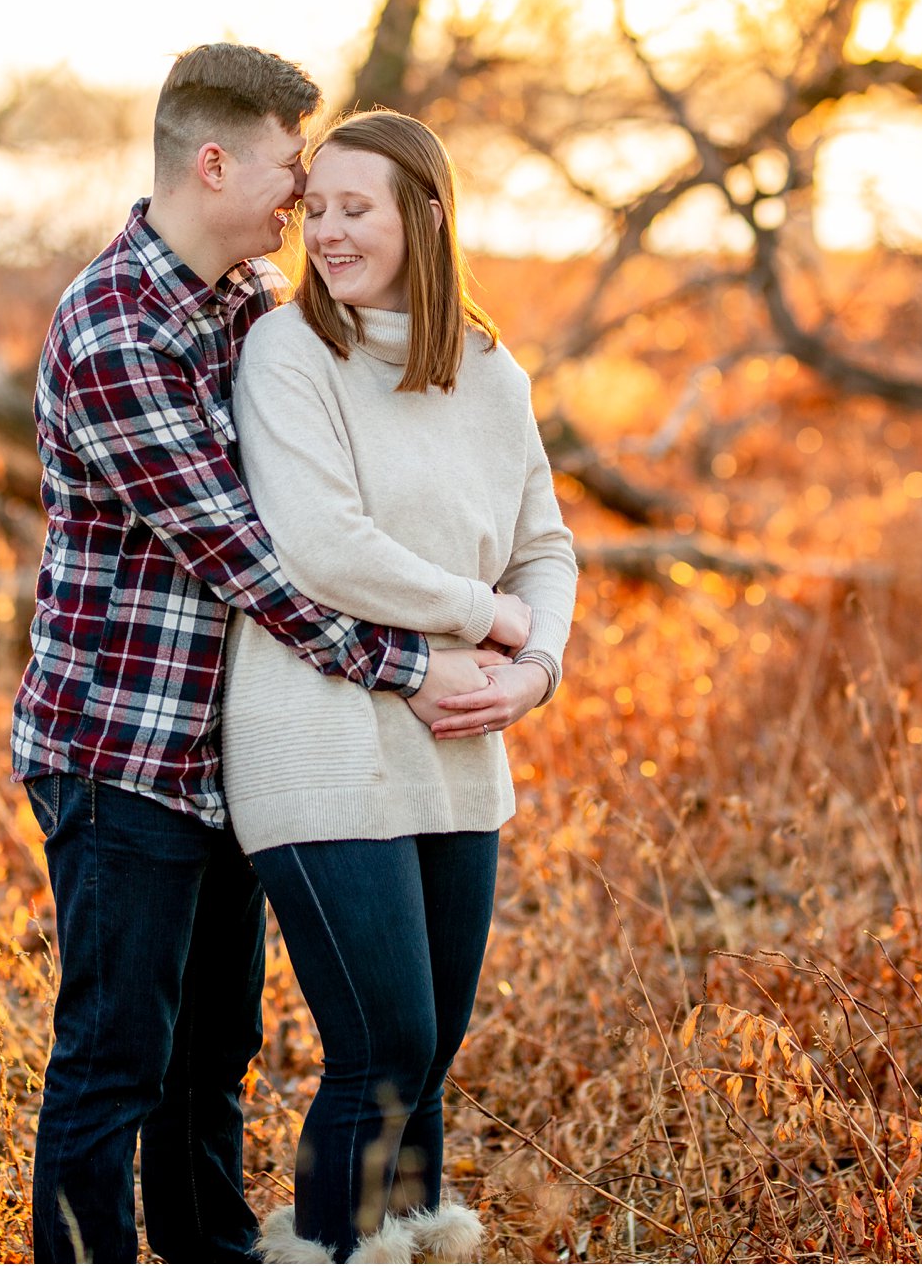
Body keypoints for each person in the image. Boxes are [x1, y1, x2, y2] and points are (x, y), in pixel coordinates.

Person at [14, 46, 516, 1266]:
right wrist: (414, 661)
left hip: (221, 756)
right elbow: (247, 555)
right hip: (120, 748)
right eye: (294, 166)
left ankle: (214, 1254)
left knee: (211, 1051)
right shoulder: (112, 325)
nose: (301, 195)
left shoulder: (239, 303)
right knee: (115, 1053)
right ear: (214, 160)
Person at [225, 112, 575, 1264]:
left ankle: (410, 1247)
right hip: (317, 741)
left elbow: (544, 546)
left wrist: (530, 669)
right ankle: (327, 1251)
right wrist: (485, 616)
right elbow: (320, 542)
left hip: (458, 743)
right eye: (312, 206)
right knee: (381, 1039)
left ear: (423, 213)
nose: (323, 230)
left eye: (353, 206)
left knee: (426, 1058)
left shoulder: (488, 366)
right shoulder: (288, 352)